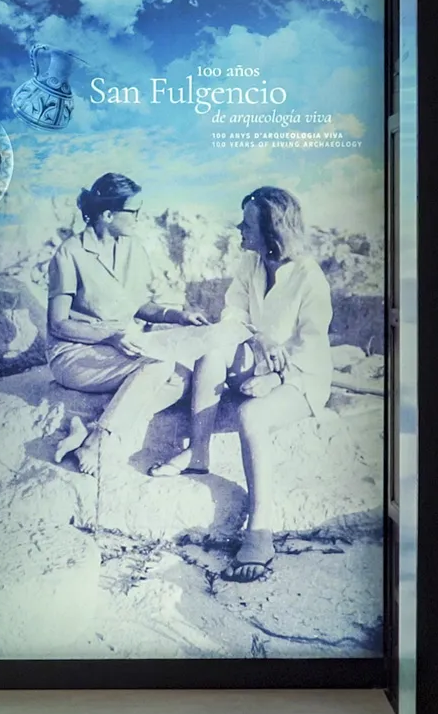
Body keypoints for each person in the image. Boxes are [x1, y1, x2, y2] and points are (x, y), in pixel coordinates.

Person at [44, 173, 222, 477]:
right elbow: (58, 324)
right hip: (75, 353)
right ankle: (98, 442)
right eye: (133, 211)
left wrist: (177, 315)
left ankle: (89, 427)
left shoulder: (132, 248)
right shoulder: (69, 253)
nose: (138, 218)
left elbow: (140, 305)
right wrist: (110, 335)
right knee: (157, 365)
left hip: (120, 347)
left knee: (183, 380)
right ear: (107, 214)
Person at [217, 185, 338, 583]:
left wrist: (274, 379)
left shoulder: (309, 277)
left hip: (302, 378)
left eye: (247, 223)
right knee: (209, 353)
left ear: (272, 230)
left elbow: (311, 348)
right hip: (258, 362)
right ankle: (194, 454)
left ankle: (260, 531)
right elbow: (231, 312)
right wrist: (259, 338)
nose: (239, 228)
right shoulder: (250, 263)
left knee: (250, 416)